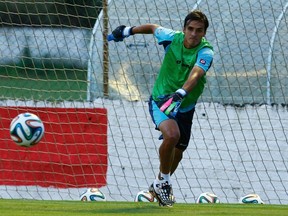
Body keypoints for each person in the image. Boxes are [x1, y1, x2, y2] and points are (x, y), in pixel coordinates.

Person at [108, 10, 214, 207]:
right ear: (184, 29)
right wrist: (128, 31)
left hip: (184, 105)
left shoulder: (206, 52)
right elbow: (152, 28)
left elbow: (196, 74)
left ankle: (158, 183)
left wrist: (181, 93)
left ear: (204, 33)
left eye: (199, 30)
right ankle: (164, 183)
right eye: (190, 29)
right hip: (161, 99)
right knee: (172, 136)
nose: (193, 34)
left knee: (179, 151)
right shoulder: (172, 37)